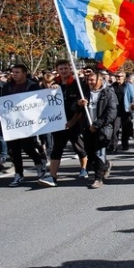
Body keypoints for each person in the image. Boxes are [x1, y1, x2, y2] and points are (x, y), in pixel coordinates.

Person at [37, 59, 89, 187]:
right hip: (58, 122)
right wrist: (52, 89)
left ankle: (84, 168)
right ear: (57, 70)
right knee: (57, 149)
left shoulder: (78, 83)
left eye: (66, 68)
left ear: (70, 69)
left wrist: (72, 121)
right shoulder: (54, 83)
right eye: (61, 69)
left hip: (74, 121)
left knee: (79, 147)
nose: (64, 71)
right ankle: (52, 176)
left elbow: (82, 106)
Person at [1, 64, 46, 186]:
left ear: (24, 73)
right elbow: (3, 101)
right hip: (12, 123)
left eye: (17, 72)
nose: (14, 74)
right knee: (14, 149)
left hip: (28, 122)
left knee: (27, 146)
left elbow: (40, 102)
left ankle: (39, 163)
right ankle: (18, 174)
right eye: (13, 72)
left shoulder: (33, 86)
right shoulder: (7, 87)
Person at [76, 69, 117, 189]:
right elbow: (74, 108)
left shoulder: (108, 92)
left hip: (103, 128)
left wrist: (97, 125)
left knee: (99, 152)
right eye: (88, 80)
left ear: (100, 80)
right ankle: (106, 164)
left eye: (92, 80)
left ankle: (98, 178)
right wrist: (78, 103)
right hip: (87, 127)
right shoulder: (85, 92)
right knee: (90, 152)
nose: (90, 82)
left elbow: (111, 112)